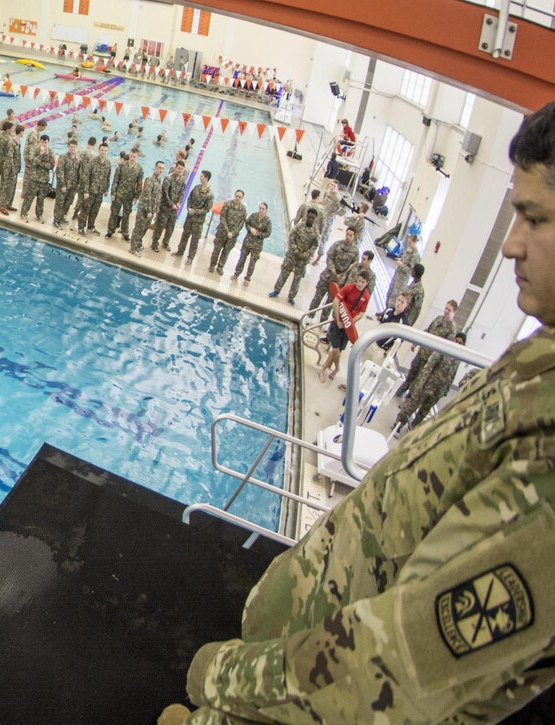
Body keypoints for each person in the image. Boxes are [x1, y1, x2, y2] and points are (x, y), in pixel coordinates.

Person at [161, 100, 555, 725]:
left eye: (534, 218)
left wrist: (222, 677)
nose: (509, 245)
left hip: (310, 691)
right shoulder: (543, 356)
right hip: (305, 637)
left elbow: (391, 670)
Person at [394, 332, 468, 432]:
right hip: (427, 384)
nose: (457, 344)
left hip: (438, 390)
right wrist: (421, 382)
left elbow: (452, 374)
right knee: (413, 405)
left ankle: (413, 428)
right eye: (456, 341)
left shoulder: (458, 358)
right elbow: (429, 366)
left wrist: (446, 390)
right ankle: (398, 424)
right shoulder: (442, 350)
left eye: (460, 343)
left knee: (424, 411)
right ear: (453, 339)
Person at [317, 270, 371, 383]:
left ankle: (332, 369)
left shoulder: (366, 296)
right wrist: (338, 319)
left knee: (337, 352)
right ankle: (326, 369)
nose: (360, 283)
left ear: (367, 283)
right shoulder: (349, 288)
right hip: (338, 323)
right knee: (335, 350)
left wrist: (351, 322)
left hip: (348, 326)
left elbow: (361, 313)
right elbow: (336, 301)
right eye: (359, 281)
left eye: (362, 282)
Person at [396, 299, 458, 398]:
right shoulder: (439, 318)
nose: (446, 311)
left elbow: (445, 347)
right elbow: (427, 331)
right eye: (446, 308)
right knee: (411, 374)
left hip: (430, 359)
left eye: (449, 310)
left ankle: (408, 400)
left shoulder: (452, 329)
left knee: (419, 381)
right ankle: (399, 393)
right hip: (422, 352)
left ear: (454, 312)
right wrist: (415, 343)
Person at [269, 207, 319, 304]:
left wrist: (305, 254)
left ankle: (291, 296)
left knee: (297, 278)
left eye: (313, 218)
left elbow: (314, 245)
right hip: (292, 255)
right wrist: (296, 250)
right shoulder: (299, 226)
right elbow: (291, 238)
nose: (311, 219)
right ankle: (276, 290)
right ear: (306, 216)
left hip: (303, 260)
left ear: (315, 219)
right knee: (284, 273)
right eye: (309, 217)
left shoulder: (316, 232)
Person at [308, 227, 359, 320]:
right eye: (347, 234)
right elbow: (329, 258)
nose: (348, 237)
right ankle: (310, 316)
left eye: (350, 235)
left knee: (330, 303)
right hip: (327, 276)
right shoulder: (337, 244)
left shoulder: (355, 251)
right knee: (317, 298)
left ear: (354, 236)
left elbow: (353, 268)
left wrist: (342, 277)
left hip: (339, 282)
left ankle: (323, 321)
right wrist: (333, 271)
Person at [174, 170, 213, 261]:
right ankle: (180, 251)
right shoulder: (196, 188)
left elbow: (206, 209)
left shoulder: (209, 194)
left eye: (202, 176)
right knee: (185, 235)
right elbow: (189, 198)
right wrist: (188, 208)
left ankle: (190, 257)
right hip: (189, 218)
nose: (200, 177)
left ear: (206, 178)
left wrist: (195, 211)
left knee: (194, 240)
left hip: (198, 222)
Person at [151, 160, 188, 252]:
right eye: (179, 168)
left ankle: (166, 242)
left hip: (174, 209)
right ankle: (155, 243)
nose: (180, 170)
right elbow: (165, 193)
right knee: (160, 226)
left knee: (171, 226)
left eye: (182, 169)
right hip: (165, 207)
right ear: (175, 168)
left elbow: (182, 193)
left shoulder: (183, 180)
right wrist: (171, 204)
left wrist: (179, 203)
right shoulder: (168, 178)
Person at [207, 189, 247, 275]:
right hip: (222, 232)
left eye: (239, 197)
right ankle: (212, 265)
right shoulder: (228, 204)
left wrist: (233, 233)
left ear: (242, 198)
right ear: (234, 195)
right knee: (216, 250)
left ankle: (220, 267)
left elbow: (241, 223)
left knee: (226, 252)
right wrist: (228, 231)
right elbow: (222, 217)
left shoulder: (243, 209)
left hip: (232, 236)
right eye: (236, 196)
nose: (237, 198)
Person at [105, 149, 142, 240]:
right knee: (114, 213)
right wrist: (113, 192)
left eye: (134, 157)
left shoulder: (139, 169)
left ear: (137, 157)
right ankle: (110, 231)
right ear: (129, 155)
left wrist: (136, 197)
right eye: (131, 156)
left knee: (126, 215)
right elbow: (116, 180)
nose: (132, 158)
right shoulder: (121, 165)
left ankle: (125, 232)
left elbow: (139, 184)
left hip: (129, 195)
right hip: (119, 193)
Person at [130, 160, 164, 257]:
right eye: (159, 168)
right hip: (144, 209)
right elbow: (147, 196)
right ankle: (133, 248)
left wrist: (156, 210)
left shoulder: (159, 180)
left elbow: (157, 196)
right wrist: (149, 210)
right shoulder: (150, 179)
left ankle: (138, 244)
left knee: (145, 228)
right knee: (139, 229)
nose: (161, 170)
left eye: (162, 168)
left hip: (152, 210)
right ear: (155, 167)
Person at [231, 202, 272, 282]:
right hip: (247, 242)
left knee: (252, 262)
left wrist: (258, 233)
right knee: (242, 258)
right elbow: (247, 223)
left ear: (266, 210)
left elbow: (268, 233)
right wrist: (250, 229)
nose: (261, 210)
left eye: (263, 209)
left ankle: (247, 278)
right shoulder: (253, 215)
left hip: (257, 245)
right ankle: (236, 273)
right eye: (260, 208)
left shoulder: (267, 221)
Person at [77, 141, 112, 235]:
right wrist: (86, 191)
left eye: (105, 150)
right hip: (91, 191)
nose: (103, 152)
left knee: (95, 211)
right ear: (99, 150)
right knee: (85, 209)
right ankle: (81, 227)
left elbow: (108, 177)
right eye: (102, 150)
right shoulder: (93, 162)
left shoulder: (108, 163)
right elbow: (86, 176)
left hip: (100, 192)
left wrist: (106, 189)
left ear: (107, 151)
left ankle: (91, 227)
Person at [20, 134, 55, 223]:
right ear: (40, 141)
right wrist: (41, 155)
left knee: (41, 199)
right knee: (29, 197)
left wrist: (41, 163)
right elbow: (33, 162)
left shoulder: (50, 152)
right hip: (34, 179)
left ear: (48, 142)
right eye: (42, 142)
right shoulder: (35, 150)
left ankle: (39, 215)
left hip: (44, 180)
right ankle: (24, 213)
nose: (44, 144)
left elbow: (51, 166)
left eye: (45, 142)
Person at [52, 139, 82, 229]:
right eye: (71, 147)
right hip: (64, 185)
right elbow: (59, 171)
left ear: (76, 148)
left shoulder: (78, 159)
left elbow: (79, 172)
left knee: (68, 202)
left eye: (74, 147)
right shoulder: (63, 157)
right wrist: (62, 184)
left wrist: (78, 185)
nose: (72, 148)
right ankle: (56, 220)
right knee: (59, 202)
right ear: (68, 147)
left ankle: (62, 217)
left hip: (73, 186)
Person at [0, 124, 24, 215]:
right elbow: (10, 157)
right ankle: (2, 206)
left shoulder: (18, 141)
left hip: (15, 168)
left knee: (12, 187)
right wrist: (12, 169)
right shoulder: (12, 142)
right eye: (23, 131)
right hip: (10, 168)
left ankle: (8, 204)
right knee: (6, 186)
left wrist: (18, 168)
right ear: (21, 132)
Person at [386, 233, 420, 308]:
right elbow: (404, 259)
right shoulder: (408, 250)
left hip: (402, 279)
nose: (409, 245)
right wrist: (400, 259)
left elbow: (411, 270)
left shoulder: (415, 255)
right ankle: (385, 310)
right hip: (397, 274)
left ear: (415, 242)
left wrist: (401, 264)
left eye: (410, 243)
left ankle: (390, 312)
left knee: (396, 296)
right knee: (390, 293)